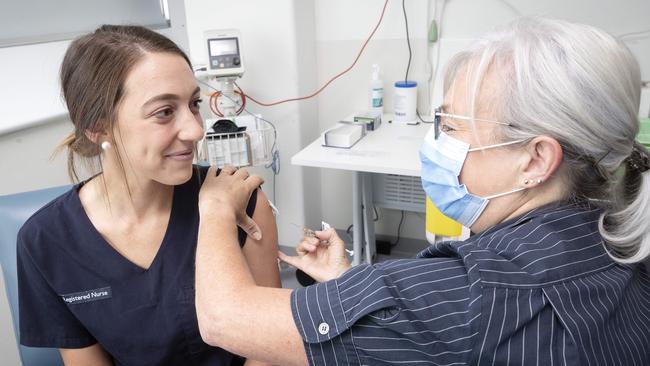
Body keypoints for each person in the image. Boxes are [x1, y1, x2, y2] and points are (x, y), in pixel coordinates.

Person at [194, 17, 650, 365]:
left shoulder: (474, 293)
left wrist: (215, 207)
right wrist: (346, 284)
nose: (436, 144)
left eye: (451, 127)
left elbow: (224, 320)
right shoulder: (623, 240)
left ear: (534, 160)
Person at [17, 25, 280, 366]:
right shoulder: (45, 242)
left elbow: (269, 353)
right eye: (164, 112)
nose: (196, 130)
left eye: (194, 104)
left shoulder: (242, 202)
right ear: (98, 127)